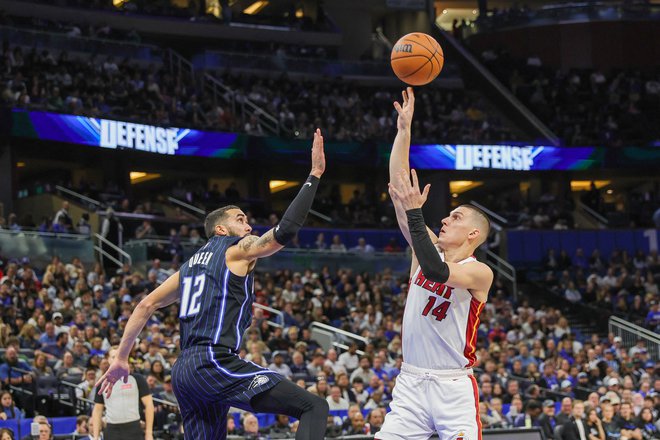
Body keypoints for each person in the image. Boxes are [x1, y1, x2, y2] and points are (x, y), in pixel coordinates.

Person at [96, 129, 329, 440]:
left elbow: (145, 305)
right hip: (212, 361)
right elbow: (284, 232)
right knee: (313, 406)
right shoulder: (235, 249)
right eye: (241, 219)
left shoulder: (188, 266)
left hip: (184, 372)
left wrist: (121, 357)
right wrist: (314, 174)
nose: (248, 225)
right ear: (221, 228)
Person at [376, 87, 493, 440]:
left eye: (454, 218)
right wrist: (403, 130)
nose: (444, 220)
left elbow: (436, 271)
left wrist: (415, 215)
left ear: (473, 234)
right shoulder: (426, 247)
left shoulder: (479, 272)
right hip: (410, 382)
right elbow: (400, 187)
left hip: (452, 387)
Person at [91, 347, 155, 440]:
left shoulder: (137, 379)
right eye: (113, 357)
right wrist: (95, 436)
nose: (117, 360)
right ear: (108, 360)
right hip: (112, 430)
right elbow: (97, 410)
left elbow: (149, 405)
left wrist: (149, 433)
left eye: (120, 357)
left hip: (134, 428)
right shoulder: (102, 382)